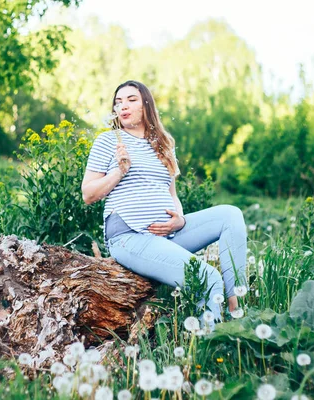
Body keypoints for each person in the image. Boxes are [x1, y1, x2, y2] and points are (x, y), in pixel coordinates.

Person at [81, 80, 247, 327]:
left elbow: (172, 194)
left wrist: (179, 220)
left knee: (231, 215)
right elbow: (88, 194)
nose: (123, 106)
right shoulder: (109, 141)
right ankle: (211, 347)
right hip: (130, 237)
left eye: (131, 100)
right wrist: (119, 172)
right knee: (208, 277)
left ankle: (237, 307)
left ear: (146, 104)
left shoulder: (163, 144)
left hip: (169, 235)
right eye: (118, 102)